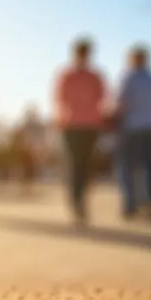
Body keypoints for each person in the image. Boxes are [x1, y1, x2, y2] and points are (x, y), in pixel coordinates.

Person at [54, 38, 106, 224]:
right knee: (74, 164)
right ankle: (76, 203)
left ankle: (82, 200)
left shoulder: (95, 76)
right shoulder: (67, 75)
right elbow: (59, 99)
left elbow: (102, 98)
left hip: (91, 125)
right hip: (71, 125)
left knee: (85, 166)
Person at [115, 45, 151, 221]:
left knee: (128, 167)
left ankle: (130, 205)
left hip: (133, 127)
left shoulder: (128, 78)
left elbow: (120, 103)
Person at [12, 106, 47, 196]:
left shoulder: (38, 126)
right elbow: (19, 138)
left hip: (33, 151)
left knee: (31, 170)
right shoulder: (24, 125)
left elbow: (41, 138)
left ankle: (28, 188)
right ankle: (25, 188)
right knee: (24, 170)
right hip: (24, 151)